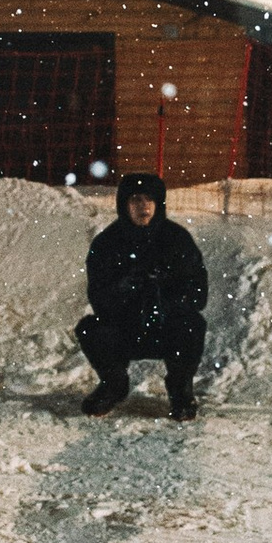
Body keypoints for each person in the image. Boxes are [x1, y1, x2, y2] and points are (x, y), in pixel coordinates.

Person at [77, 169, 208, 419]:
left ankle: (181, 390)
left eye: (149, 199)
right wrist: (124, 287)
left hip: (166, 329)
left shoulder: (177, 239)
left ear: (158, 204)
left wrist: (165, 290)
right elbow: (98, 297)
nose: (143, 206)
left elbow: (198, 295)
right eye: (135, 199)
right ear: (124, 205)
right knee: (90, 329)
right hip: (125, 329)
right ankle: (113, 385)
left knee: (192, 325)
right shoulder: (107, 243)